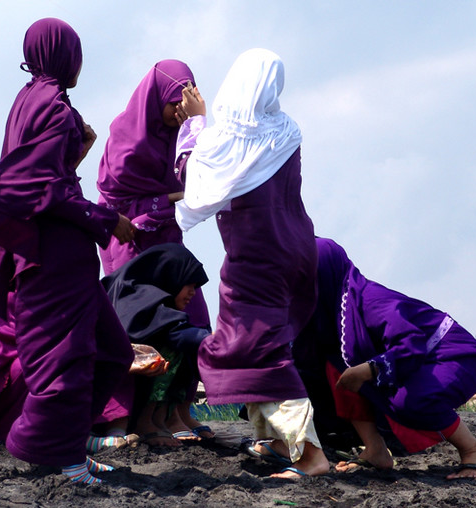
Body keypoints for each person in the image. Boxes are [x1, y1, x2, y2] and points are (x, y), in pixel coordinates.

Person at [0, 18, 135, 485]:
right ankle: (55, 455)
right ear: (65, 56)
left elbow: (35, 179)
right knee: (70, 360)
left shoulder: (25, 101)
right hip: (57, 254)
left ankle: (65, 443)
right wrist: (106, 219)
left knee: (113, 352)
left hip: (44, 250)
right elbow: (47, 189)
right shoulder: (54, 107)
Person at [173, 48, 330, 478]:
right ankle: (277, 442)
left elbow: (195, 180)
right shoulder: (286, 131)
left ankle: (312, 457)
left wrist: (195, 122)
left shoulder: (228, 137)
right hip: (297, 247)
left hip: (258, 258)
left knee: (259, 349)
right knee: (257, 343)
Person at [293, 237, 476, 479]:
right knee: (335, 366)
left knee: (410, 400)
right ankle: (375, 449)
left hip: (451, 355)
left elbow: (412, 342)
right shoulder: (329, 320)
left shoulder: (371, 301)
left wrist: (369, 370)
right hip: (415, 359)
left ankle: (472, 449)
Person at [94, 60, 214, 446]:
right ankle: (128, 418)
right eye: (174, 103)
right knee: (141, 328)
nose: (180, 111)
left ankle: (177, 411)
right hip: (130, 246)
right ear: (155, 99)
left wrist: (197, 125)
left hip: (166, 245)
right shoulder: (126, 140)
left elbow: (203, 175)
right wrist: (175, 197)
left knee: (191, 318)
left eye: (187, 102)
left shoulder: (179, 137)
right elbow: (120, 204)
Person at [96, 243, 212, 447]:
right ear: (171, 276)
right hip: (103, 392)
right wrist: (223, 342)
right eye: (190, 285)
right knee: (168, 347)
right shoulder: (136, 299)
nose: (193, 293)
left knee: (182, 345)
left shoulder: (155, 301)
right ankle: (141, 422)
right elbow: (177, 334)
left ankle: (157, 419)